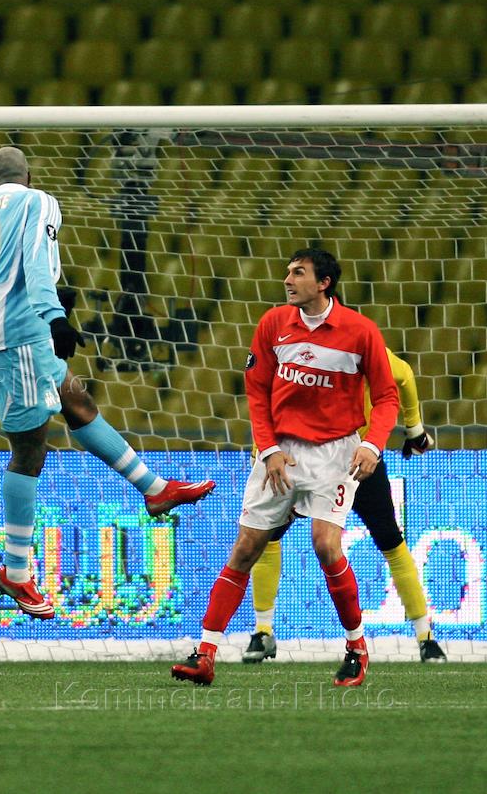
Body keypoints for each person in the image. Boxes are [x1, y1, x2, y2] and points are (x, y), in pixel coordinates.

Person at [0, 146, 215, 619]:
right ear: (29, 176)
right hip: (22, 336)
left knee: (78, 405)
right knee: (30, 449)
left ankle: (155, 489)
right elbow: (36, 261)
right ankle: (15, 573)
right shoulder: (38, 201)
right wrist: (54, 315)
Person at [171, 248, 399, 688]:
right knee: (245, 549)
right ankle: (205, 654)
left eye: (298, 273)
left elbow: (387, 396)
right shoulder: (273, 324)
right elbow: (257, 391)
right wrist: (269, 448)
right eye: (288, 272)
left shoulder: (360, 331)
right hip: (280, 454)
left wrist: (373, 444)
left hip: (335, 453)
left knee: (326, 545)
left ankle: (356, 649)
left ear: (324, 283)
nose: (288, 280)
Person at [243, 347, 446, 664]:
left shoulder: (345, 346)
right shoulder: (304, 348)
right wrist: (415, 430)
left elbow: (403, 374)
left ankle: (425, 635)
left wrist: (261, 450)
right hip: (316, 457)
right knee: (268, 535)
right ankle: (263, 630)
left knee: (388, 540)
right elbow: (404, 374)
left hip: (351, 459)